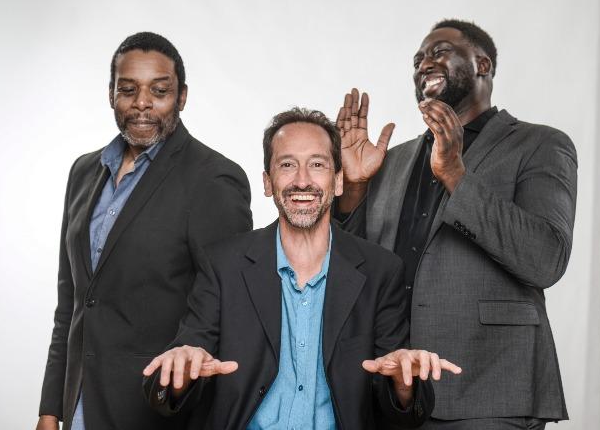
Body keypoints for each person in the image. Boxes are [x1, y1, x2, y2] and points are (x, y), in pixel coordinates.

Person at [142, 108, 462, 429]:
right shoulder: (223, 264)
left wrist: (403, 387)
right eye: (287, 165)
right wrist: (180, 376)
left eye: (318, 164)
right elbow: (182, 367)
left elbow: (397, 401)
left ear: (338, 181)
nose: (303, 180)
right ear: (268, 182)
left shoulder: (381, 271)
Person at [334, 19, 577, 429]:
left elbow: (546, 259)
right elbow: (356, 268)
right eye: (417, 59)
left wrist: (456, 177)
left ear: (482, 64)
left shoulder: (541, 145)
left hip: (490, 388)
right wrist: (354, 190)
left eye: (439, 51)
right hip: (395, 387)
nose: (423, 64)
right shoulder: (392, 160)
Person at [36, 32, 253, 430]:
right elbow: (72, 302)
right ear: (111, 94)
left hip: (157, 410)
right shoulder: (84, 172)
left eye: (159, 90)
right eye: (128, 89)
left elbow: (227, 307)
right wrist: (51, 409)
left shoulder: (213, 179)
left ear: (182, 97)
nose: (142, 103)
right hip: (79, 406)